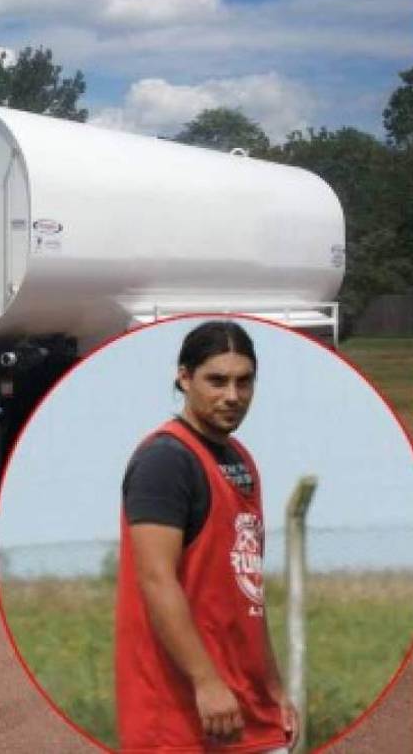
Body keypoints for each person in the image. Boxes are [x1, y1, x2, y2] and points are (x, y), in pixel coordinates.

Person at [115, 320, 298, 753]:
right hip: (184, 712)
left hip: (245, 704)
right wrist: (207, 681)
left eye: (244, 381)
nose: (232, 396)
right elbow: (157, 580)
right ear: (184, 378)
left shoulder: (240, 459)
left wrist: (271, 687)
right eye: (216, 380)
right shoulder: (165, 460)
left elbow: (247, 591)